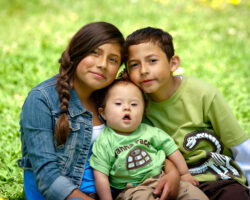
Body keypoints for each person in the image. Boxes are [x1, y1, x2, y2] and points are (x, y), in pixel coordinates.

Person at [123, 26, 250, 200]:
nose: (143, 70)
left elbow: (239, 145)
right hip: (175, 182)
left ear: (173, 63)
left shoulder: (204, 94)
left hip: (219, 177)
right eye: (134, 65)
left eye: (152, 61)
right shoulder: (135, 104)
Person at [17, 21, 125, 200]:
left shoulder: (113, 99)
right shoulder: (42, 99)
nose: (103, 64)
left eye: (113, 59)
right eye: (94, 53)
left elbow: (146, 139)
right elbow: (47, 176)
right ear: (77, 53)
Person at [89, 77, 209, 200]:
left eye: (134, 104)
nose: (127, 108)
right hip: (132, 189)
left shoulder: (150, 132)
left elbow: (171, 149)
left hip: (162, 177)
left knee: (192, 193)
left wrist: (184, 173)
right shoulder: (104, 141)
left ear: (143, 111)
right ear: (103, 113)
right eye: (118, 103)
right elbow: (100, 175)